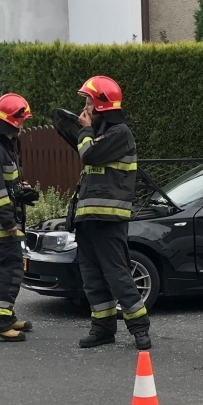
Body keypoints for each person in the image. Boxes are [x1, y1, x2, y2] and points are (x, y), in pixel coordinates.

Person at [51, 76, 150, 349]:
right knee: (92, 277)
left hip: (109, 220)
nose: (84, 108)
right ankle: (103, 328)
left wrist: (84, 131)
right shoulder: (100, 134)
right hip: (88, 220)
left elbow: (90, 155)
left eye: (88, 102)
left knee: (117, 275)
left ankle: (140, 328)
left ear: (101, 105)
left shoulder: (120, 134)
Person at [0, 93, 41, 342]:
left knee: (7, 271)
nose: (23, 125)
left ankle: (7, 314)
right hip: (1, 227)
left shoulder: (3, 147)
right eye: (22, 120)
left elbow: (5, 185)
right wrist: (8, 222)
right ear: (12, 122)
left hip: (3, 224)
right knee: (9, 272)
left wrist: (20, 191)